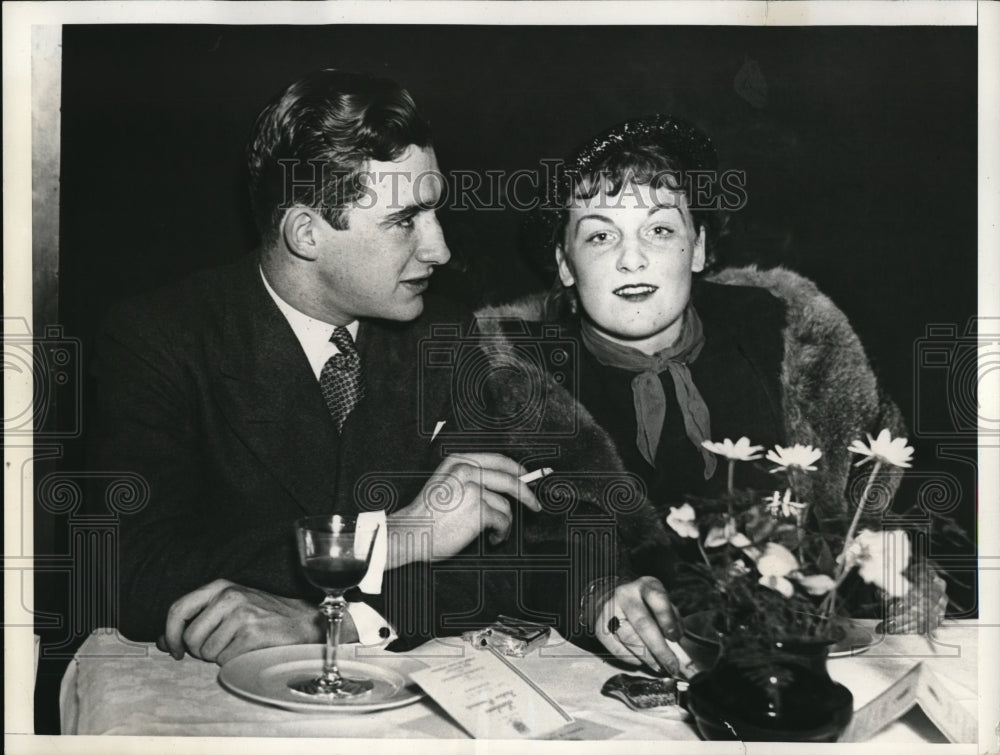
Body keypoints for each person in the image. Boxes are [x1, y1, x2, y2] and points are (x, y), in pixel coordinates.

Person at [91, 70, 679, 668]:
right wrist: (390, 537)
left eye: (435, 213)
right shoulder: (159, 339)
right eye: (405, 222)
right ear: (306, 234)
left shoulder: (444, 334)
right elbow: (123, 571)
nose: (440, 249)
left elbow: (504, 554)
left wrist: (331, 623)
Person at [474, 114, 947, 666]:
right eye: (601, 236)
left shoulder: (789, 335)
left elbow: (883, 488)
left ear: (697, 247)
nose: (632, 258)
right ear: (564, 264)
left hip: (809, 660)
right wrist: (594, 593)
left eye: (659, 230)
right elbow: (513, 549)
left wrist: (912, 572)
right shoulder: (514, 377)